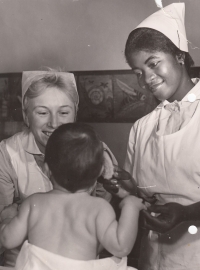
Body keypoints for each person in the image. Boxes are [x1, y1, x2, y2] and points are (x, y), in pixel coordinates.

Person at [0, 70, 115, 267]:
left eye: (63, 112)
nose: (54, 123)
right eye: (42, 112)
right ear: (26, 115)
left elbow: (102, 223)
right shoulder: (7, 153)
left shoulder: (95, 151)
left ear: (75, 112)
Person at [0, 123, 145, 270]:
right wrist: (130, 206)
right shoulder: (99, 208)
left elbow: (7, 240)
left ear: (47, 169)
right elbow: (121, 247)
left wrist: (7, 217)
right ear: (100, 171)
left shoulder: (33, 203)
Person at [120, 2, 200, 270]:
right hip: (154, 258)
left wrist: (187, 213)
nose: (147, 79)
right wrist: (123, 185)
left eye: (153, 64)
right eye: (138, 73)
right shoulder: (142, 128)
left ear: (179, 56)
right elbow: (140, 191)